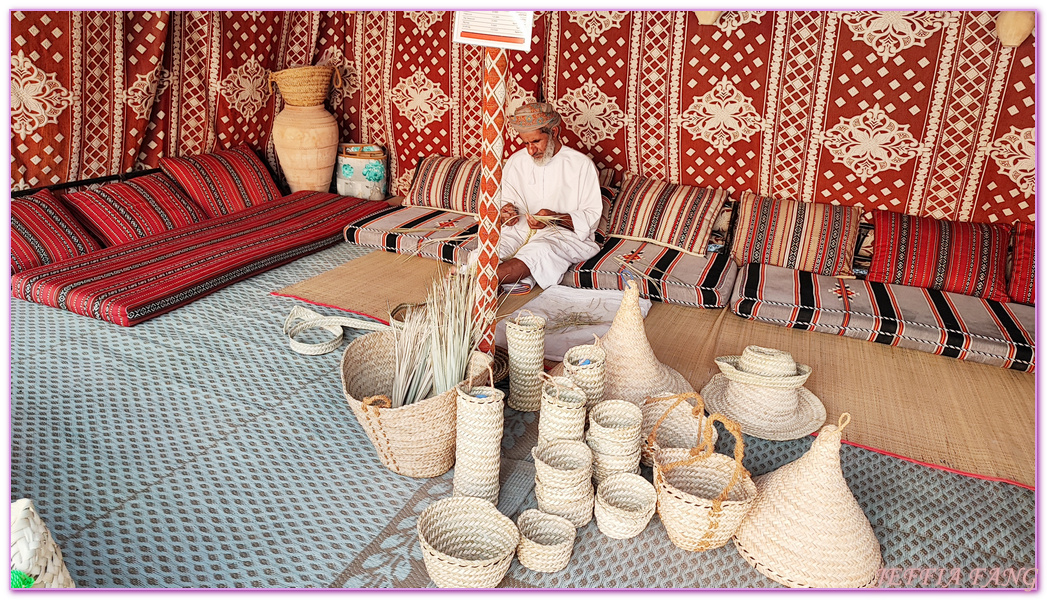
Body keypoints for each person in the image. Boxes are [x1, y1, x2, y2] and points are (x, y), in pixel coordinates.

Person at [465, 102, 603, 290]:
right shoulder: (516, 161)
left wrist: (554, 218)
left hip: (561, 235)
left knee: (538, 252)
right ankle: (490, 283)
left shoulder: (581, 165)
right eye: (526, 143)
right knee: (484, 252)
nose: (531, 150)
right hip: (518, 231)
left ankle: (473, 284)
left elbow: (591, 217)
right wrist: (506, 213)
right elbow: (505, 201)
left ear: (554, 132)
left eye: (536, 142)